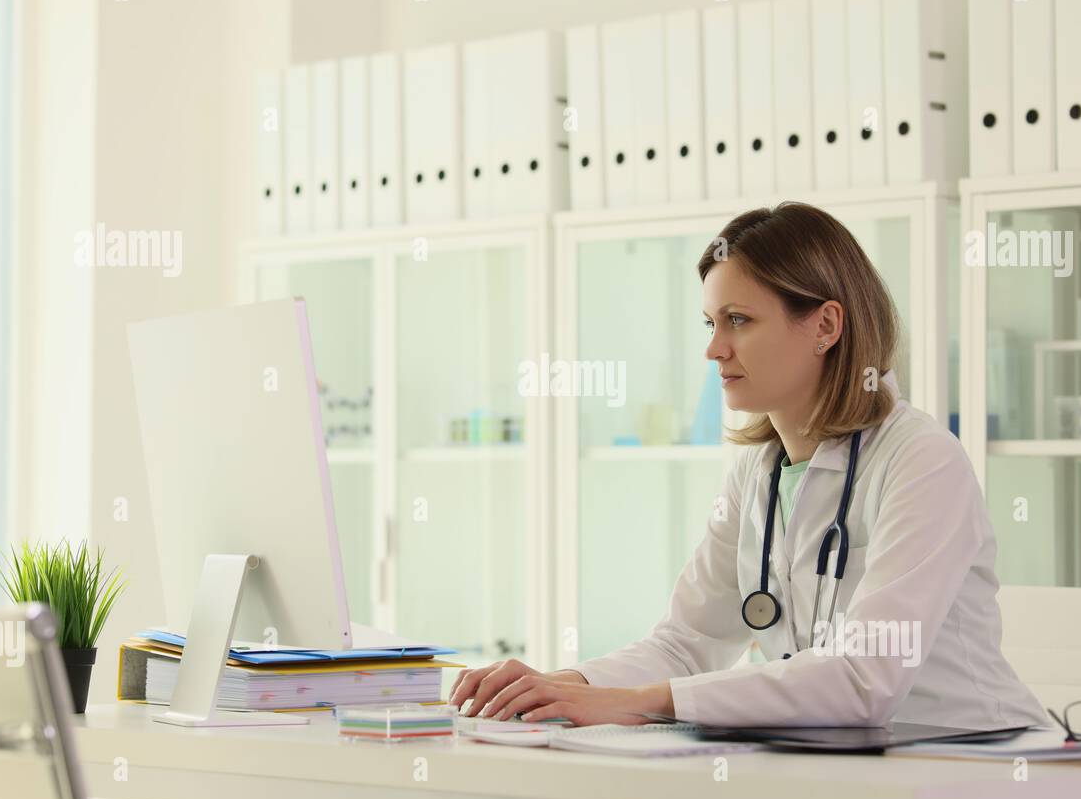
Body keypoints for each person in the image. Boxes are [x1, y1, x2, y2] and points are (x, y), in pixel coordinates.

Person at [449, 201, 1050, 731]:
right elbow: (689, 643)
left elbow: (866, 677)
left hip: (977, 766)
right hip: (841, 768)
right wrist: (565, 686)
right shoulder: (758, 471)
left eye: (738, 320)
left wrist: (634, 702)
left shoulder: (921, 460)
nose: (714, 348)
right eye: (711, 323)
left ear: (825, 325)